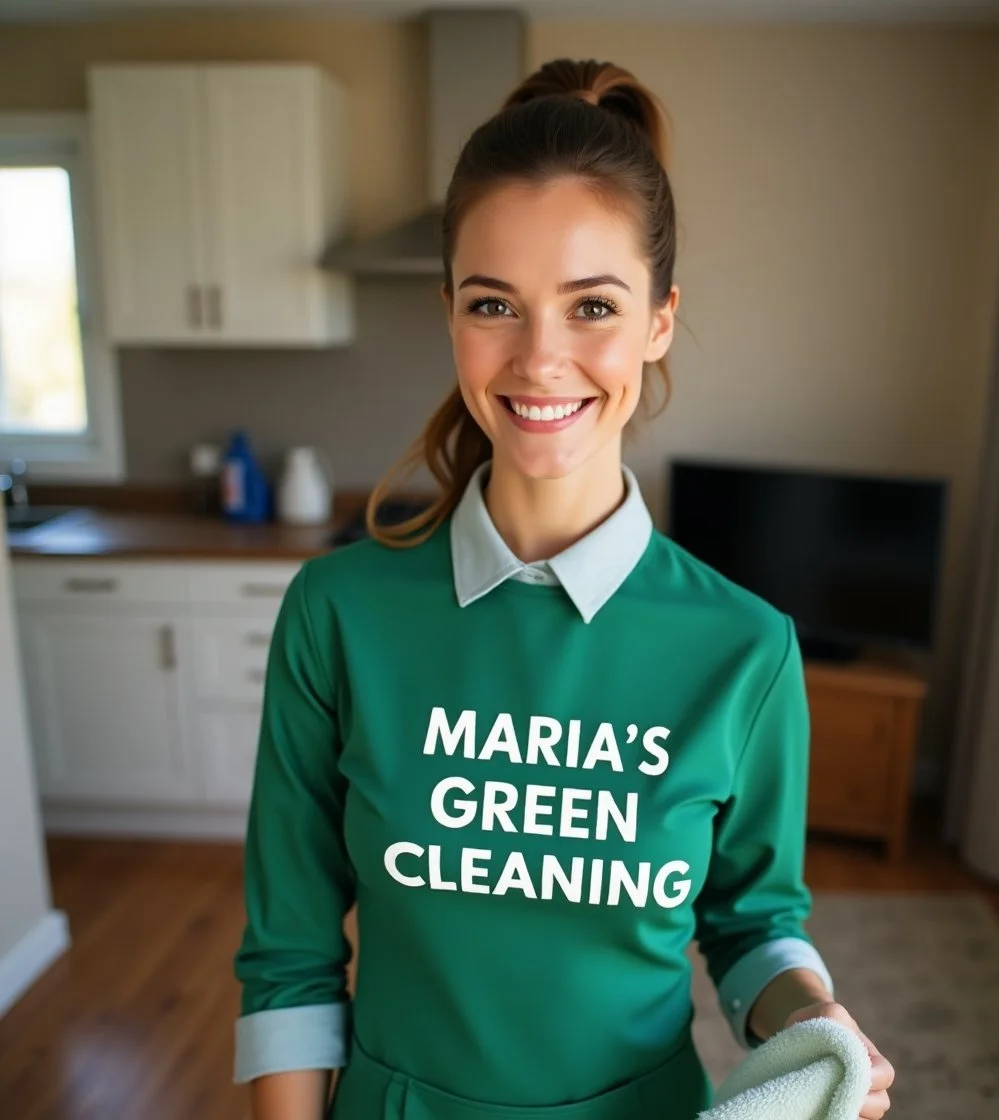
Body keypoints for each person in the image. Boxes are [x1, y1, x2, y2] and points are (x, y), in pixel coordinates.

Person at [232, 58, 895, 1120]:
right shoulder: (338, 615)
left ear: (659, 320)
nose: (540, 359)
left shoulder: (746, 649)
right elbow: (290, 956)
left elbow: (750, 920)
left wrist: (814, 1016)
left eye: (591, 305)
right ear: (449, 311)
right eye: (495, 303)